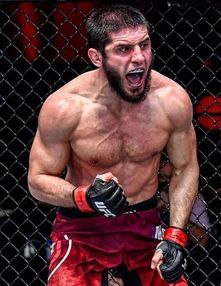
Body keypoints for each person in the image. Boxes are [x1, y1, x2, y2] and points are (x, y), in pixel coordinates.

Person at [27, 4, 199, 286]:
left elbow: (185, 168)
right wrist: (84, 196)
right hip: (82, 229)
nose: (139, 58)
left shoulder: (171, 100)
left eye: (144, 44)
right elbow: (37, 180)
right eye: (124, 49)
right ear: (97, 57)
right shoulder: (64, 108)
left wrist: (176, 235)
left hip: (146, 226)